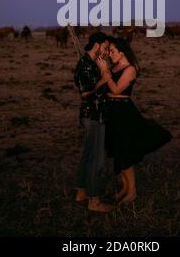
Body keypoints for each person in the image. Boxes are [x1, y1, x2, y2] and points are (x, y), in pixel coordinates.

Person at [97, 37, 172, 204]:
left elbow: (116, 89)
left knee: (125, 152)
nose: (110, 54)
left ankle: (132, 192)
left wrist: (105, 73)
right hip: (112, 111)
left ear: (122, 52)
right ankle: (125, 188)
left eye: (113, 51)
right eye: (109, 51)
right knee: (118, 151)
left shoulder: (130, 69)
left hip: (123, 112)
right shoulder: (114, 67)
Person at [73, 32, 113, 213]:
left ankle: (81, 193)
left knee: (88, 155)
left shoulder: (95, 63)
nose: (105, 51)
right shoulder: (84, 65)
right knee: (96, 160)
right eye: (104, 47)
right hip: (93, 116)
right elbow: (85, 93)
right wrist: (103, 79)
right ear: (96, 45)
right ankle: (94, 201)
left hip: (98, 115)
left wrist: (104, 69)